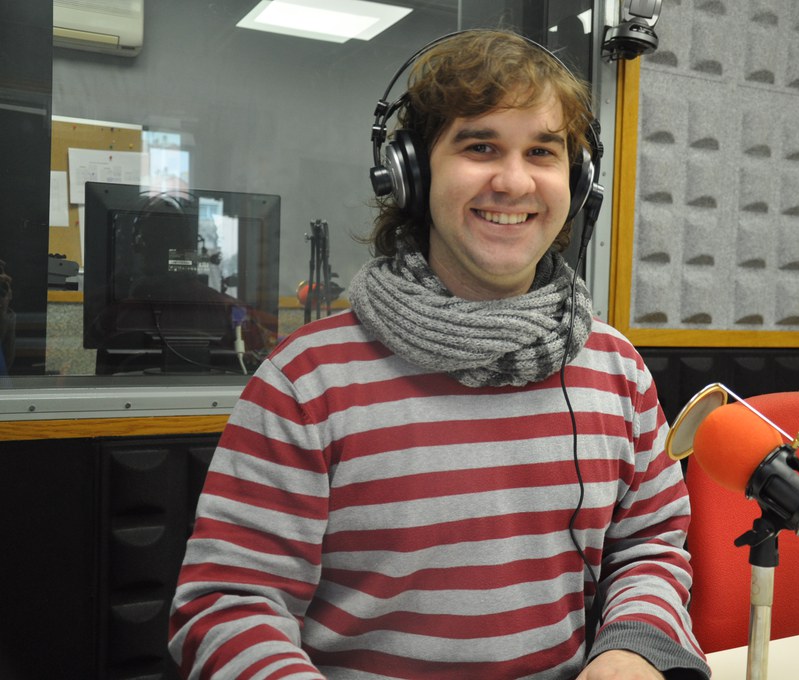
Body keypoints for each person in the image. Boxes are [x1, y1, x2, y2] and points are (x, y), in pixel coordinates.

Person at [169, 29, 709, 679]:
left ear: (578, 181)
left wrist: (632, 648)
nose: (514, 181)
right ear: (412, 174)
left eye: (542, 151)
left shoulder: (615, 370)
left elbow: (651, 548)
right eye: (480, 147)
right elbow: (228, 605)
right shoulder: (307, 380)